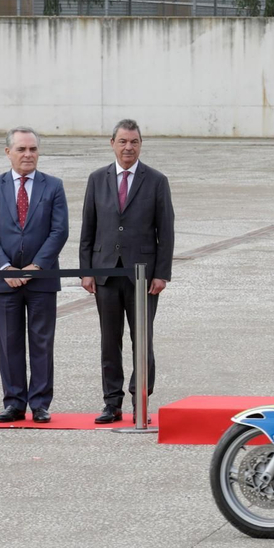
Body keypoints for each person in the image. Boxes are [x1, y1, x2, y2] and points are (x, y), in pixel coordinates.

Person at [79, 119, 176, 424]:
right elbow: (88, 229)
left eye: (134, 142)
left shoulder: (156, 180)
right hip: (106, 273)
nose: (128, 148)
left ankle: (140, 401)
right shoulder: (97, 179)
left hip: (143, 277)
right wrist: (87, 271)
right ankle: (112, 402)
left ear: (140, 145)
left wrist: (162, 273)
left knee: (141, 340)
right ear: (112, 144)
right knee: (110, 340)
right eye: (122, 142)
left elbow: (166, 231)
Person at [0, 128, 69, 423]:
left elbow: (59, 230)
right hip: (5, 279)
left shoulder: (53, 186)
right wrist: (5, 267)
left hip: (41, 279)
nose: (28, 154)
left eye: (32, 149)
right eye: (21, 149)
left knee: (42, 341)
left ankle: (40, 403)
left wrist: (36, 267)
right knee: (9, 341)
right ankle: (14, 402)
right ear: (8, 153)